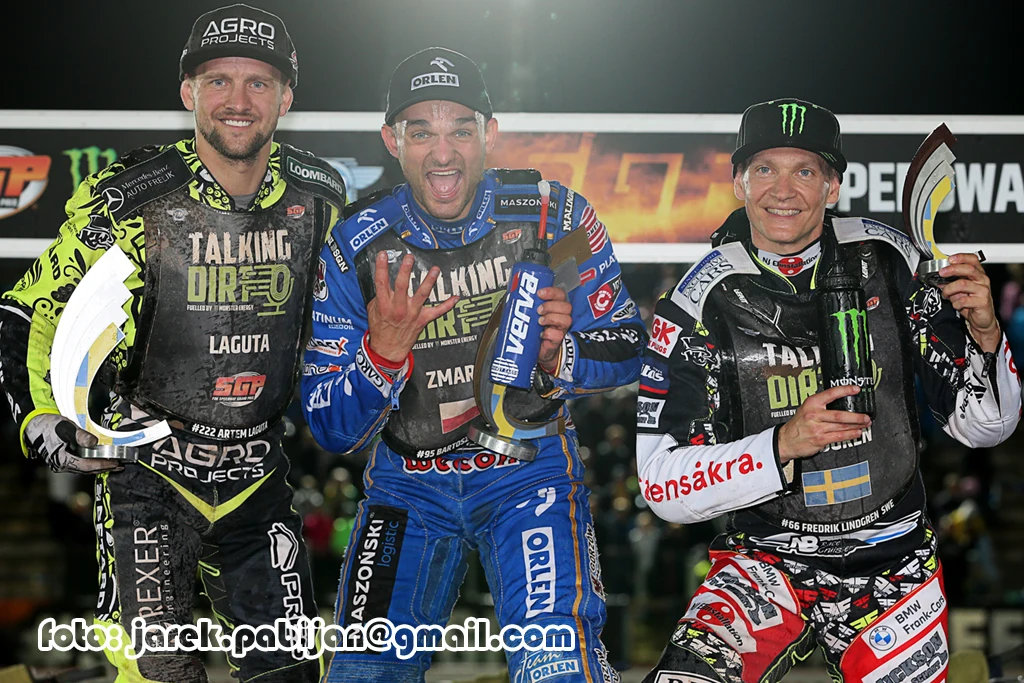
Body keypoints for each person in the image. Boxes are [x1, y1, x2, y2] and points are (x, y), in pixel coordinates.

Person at [0, 5, 346, 682]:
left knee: (294, 676)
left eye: (258, 82)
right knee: (158, 675)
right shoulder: (129, 200)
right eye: (219, 81)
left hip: (258, 481)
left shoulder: (321, 193)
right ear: (188, 93)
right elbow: (24, 308)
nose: (238, 101)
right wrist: (37, 418)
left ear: (287, 98)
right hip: (146, 481)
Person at [636, 98, 1020, 683]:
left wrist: (986, 336)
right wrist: (781, 445)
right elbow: (662, 485)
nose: (782, 190)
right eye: (764, 169)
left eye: (805, 171)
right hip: (764, 560)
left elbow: (985, 426)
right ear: (738, 182)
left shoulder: (891, 258)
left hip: (893, 563)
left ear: (833, 186)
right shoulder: (696, 301)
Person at [301, 47, 645, 683]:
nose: (443, 151)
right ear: (391, 140)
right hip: (406, 486)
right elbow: (329, 427)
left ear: (490, 135)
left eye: (460, 127)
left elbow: (627, 345)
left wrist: (559, 354)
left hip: (527, 476)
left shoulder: (552, 214)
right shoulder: (357, 243)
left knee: (556, 667)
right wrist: (383, 353)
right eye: (421, 130)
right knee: (361, 675)